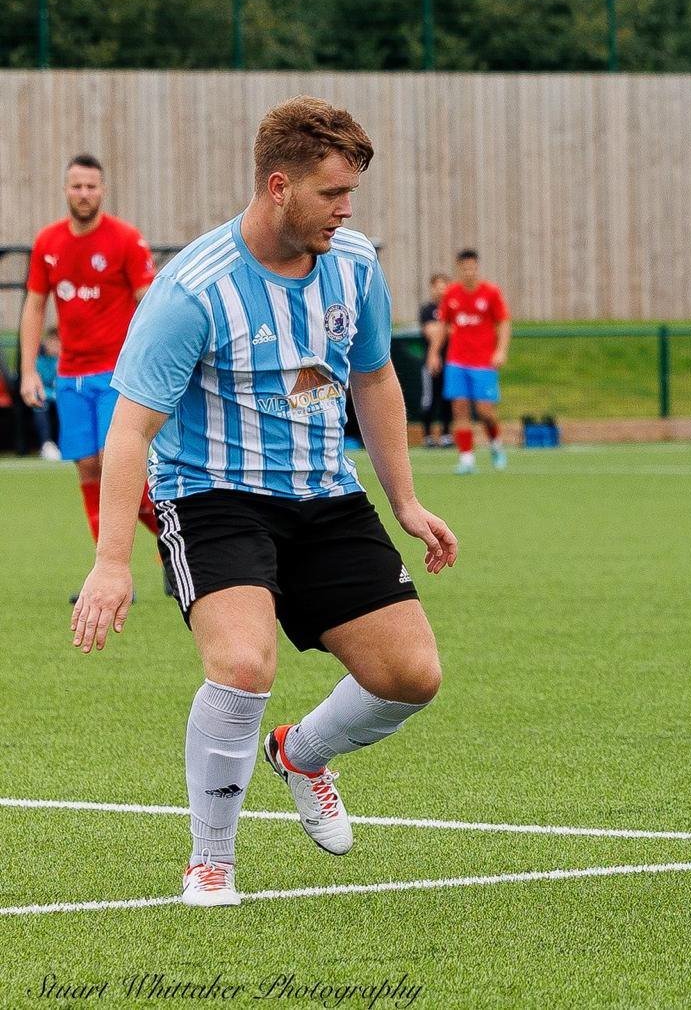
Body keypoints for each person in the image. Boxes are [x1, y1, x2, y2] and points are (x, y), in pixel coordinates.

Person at [70, 96, 458, 908]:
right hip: (214, 499)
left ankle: (302, 754)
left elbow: (374, 377)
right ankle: (210, 861)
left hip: (326, 495)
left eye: (351, 193)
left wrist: (406, 500)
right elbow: (130, 428)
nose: (346, 210)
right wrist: (111, 562)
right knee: (244, 665)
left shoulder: (355, 265)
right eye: (331, 193)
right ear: (279, 186)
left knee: (412, 675)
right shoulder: (192, 289)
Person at [18, 154, 170, 593]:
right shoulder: (48, 242)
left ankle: (169, 545)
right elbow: (35, 306)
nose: (84, 193)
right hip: (70, 376)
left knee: (114, 463)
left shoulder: (125, 239)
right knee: (87, 467)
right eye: (77, 186)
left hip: (118, 374)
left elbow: (151, 303)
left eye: (91, 186)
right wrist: (28, 371)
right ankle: (114, 572)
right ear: (66, 190)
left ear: (102, 190)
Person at [435, 249, 511, 473]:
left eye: (472, 268)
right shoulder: (451, 294)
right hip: (457, 361)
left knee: (485, 411)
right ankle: (466, 459)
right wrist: (433, 353)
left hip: (483, 362)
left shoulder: (490, 293)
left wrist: (501, 350)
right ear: (459, 269)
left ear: (477, 268)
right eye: (465, 268)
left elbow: (504, 323)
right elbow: (443, 325)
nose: (469, 272)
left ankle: (495, 445)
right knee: (459, 408)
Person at [417, 272, 451, 447]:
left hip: (451, 361)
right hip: (430, 362)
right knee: (429, 398)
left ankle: (446, 435)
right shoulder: (427, 310)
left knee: (448, 399)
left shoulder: (452, 308)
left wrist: (444, 329)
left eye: (444, 286)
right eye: (438, 287)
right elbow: (431, 331)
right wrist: (445, 329)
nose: (441, 290)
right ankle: (428, 436)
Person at [34, 328, 63, 460]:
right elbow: (38, 382)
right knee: (40, 405)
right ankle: (46, 444)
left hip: (58, 395)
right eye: (52, 342)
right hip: (43, 395)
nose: (55, 346)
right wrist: (49, 394)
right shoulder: (38, 360)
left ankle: (64, 443)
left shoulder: (62, 361)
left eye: (57, 343)